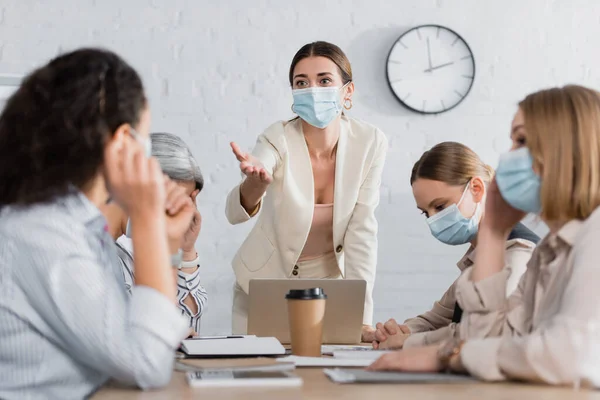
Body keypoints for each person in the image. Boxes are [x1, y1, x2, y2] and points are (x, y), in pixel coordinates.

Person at [369, 85, 600, 387]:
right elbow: (488, 339)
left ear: (566, 148)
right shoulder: (550, 252)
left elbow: (567, 356)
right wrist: (492, 232)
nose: (509, 155)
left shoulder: (592, 236)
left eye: (521, 140)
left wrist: (448, 356)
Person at [0, 48, 195, 398]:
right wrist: (148, 220)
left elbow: (128, 335)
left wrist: (164, 243)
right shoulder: (41, 232)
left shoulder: (79, 225)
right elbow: (147, 362)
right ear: (123, 142)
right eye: (145, 140)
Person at [225, 41, 388, 339]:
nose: (313, 89)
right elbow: (235, 213)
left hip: (329, 290)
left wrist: (362, 318)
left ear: (347, 91)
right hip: (264, 283)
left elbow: (362, 231)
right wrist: (255, 183)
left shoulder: (370, 142)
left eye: (324, 80)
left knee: (321, 381)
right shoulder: (277, 137)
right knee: (255, 378)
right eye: (302, 82)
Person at [367, 142, 538, 350]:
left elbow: (486, 332)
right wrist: (396, 332)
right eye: (425, 212)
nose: (433, 219)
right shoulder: (478, 257)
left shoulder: (518, 252)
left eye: (440, 206)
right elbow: (436, 319)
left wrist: (407, 341)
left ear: (476, 189)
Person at [101, 132, 207, 334]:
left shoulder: (133, 254)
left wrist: (185, 251)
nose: (177, 214)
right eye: (172, 200)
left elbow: (188, 319)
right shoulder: (93, 251)